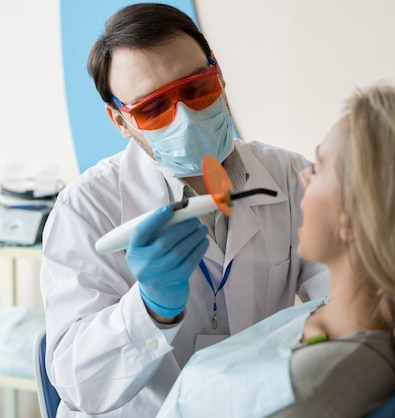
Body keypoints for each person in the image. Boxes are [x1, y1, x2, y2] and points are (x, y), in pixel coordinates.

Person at [39, 3, 330, 417]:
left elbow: (345, 300)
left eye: (197, 89)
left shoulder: (289, 176)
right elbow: (79, 385)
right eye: (153, 109)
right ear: (120, 121)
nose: (186, 117)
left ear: (220, 76)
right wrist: (150, 310)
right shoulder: (86, 209)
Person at [155, 84, 395, 417]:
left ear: (355, 216)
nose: (302, 177)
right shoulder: (337, 321)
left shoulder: (305, 394)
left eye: (316, 168)